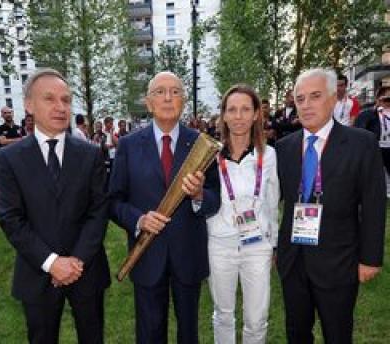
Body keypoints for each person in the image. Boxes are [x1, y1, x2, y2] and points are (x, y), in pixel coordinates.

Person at [0, 68, 110, 344]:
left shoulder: (91, 154)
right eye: (50, 99)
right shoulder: (9, 158)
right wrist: (52, 263)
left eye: (66, 100)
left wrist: (75, 262)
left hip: (86, 270)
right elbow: (10, 218)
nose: (61, 107)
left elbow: (98, 211)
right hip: (37, 273)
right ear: (29, 105)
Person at [109, 71, 220, 344]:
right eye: (160, 92)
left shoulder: (201, 144)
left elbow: (215, 197)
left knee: (188, 333)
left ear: (183, 100)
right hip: (148, 255)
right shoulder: (128, 145)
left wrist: (197, 196)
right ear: (148, 103)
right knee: (149, 333)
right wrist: (139, 220)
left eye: (175, 91)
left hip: (188, 255)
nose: (168, 97)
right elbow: (113, 201)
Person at [276, 68, 386, 344]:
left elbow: (373, 204)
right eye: (300, 99)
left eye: (314, 96)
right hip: (294, 260)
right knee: (297, 333)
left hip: (339, 261)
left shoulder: (361, 143)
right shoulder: (284, 148)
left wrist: (370, 258)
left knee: (337, 334)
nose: (306, 105)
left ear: (333, 98)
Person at [207, 84, 279, 344]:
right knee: (223, 314)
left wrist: (274, 244)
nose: (238, 116)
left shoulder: (269, 155)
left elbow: (272, 203)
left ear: (256, 114)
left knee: (256, 319)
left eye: (245, 109)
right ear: (223, 115)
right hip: (219, 245)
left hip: (257, 244)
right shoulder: (210, 156)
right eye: (232, 110)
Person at [354, 86, 390, 177]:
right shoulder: (367, 114)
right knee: (372, 177)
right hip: (375, 148)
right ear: (378, 99)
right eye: (387, 99)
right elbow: (359, 132)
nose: (388, 103)